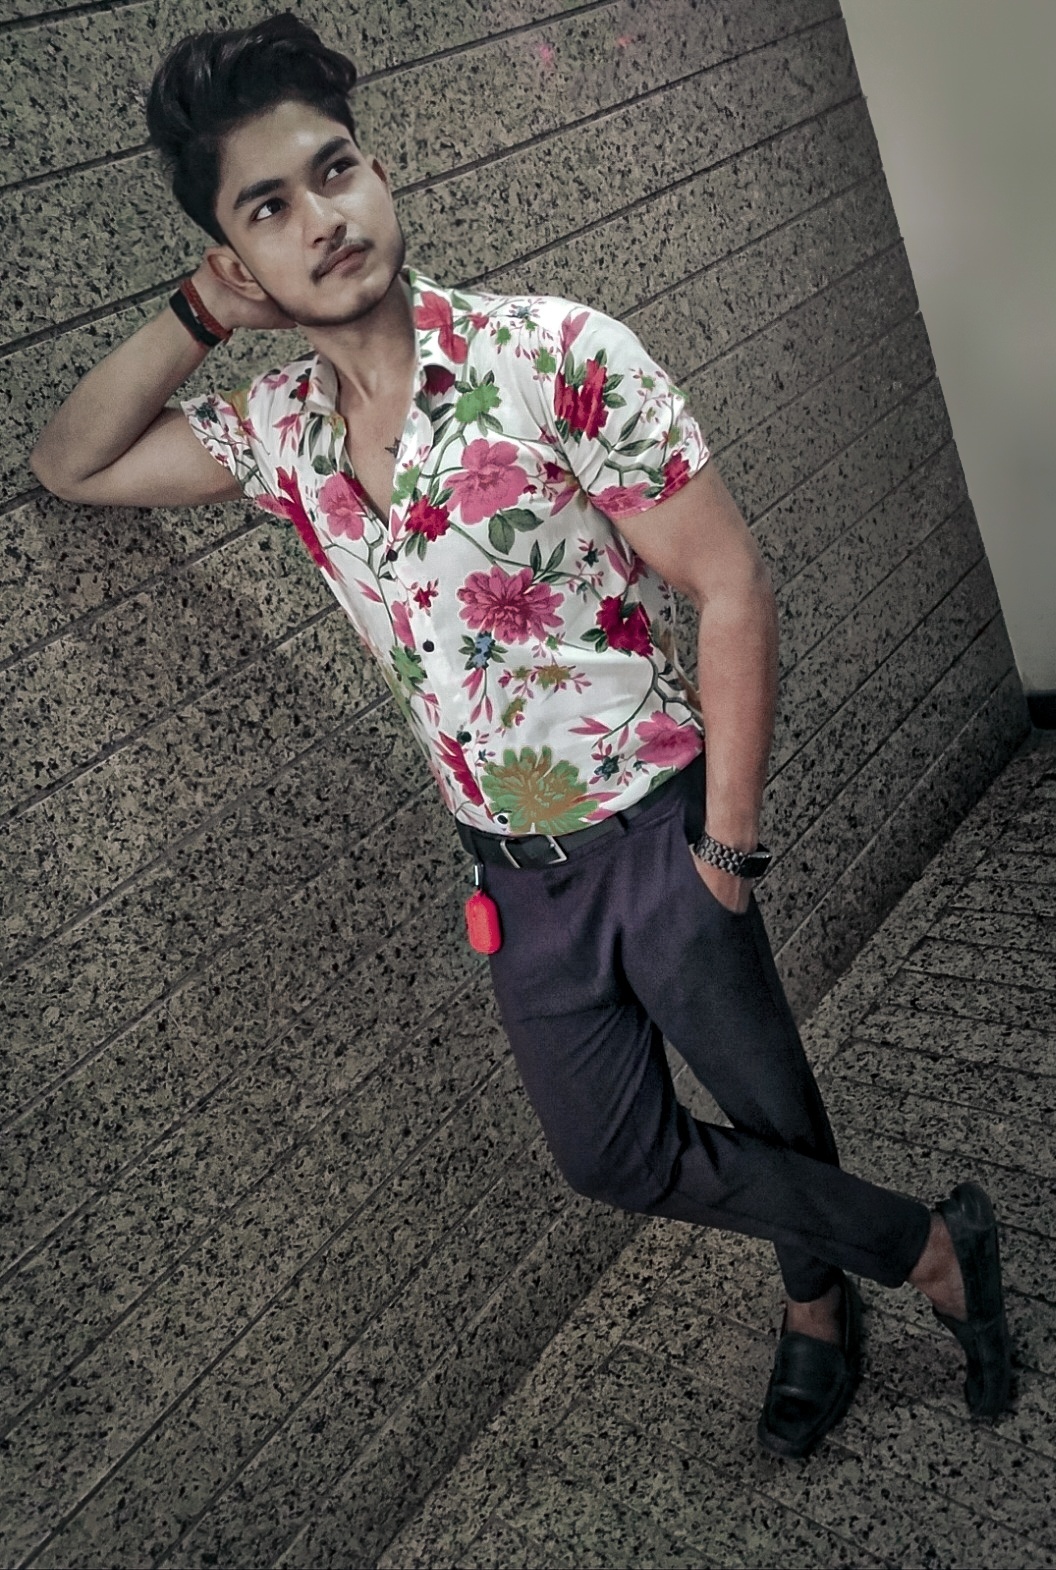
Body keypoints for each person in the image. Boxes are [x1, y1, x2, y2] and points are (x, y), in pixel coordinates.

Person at [29, 13, 1013, 1458]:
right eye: (270, 207)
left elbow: (731, 585)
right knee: (609, 1151)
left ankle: (817, 1307)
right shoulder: (281, 432)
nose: (324, 218)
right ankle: (925, 1241)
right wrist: (195, 316)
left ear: (377, 170)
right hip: (514, 878)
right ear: (238, 258)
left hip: (661, 833)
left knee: (765, 1105)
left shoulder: (554, 353)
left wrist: (727, 853)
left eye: (335, 168)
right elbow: (71, 462)